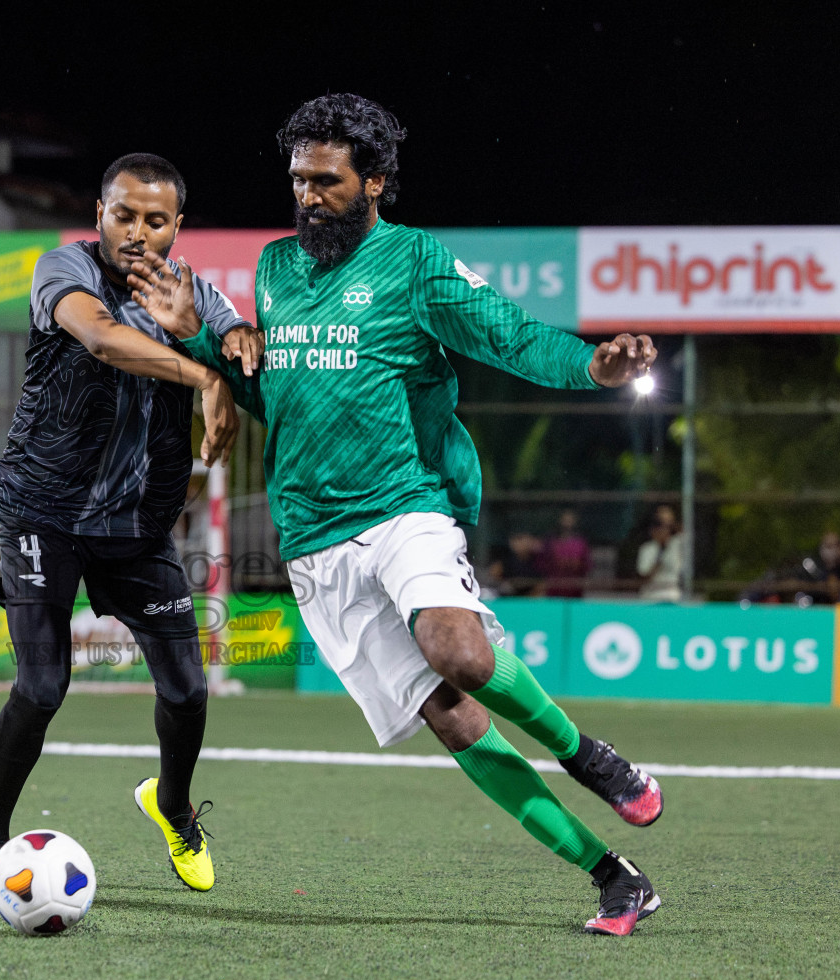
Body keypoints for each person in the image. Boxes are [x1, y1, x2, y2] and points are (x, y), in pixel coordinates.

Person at [133, 94, 664, 935]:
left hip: (404, 503)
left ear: (375, 181)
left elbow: (514, 337)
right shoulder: (276, 268)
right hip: (312, 537)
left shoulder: (414, 261)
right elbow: (281, 398)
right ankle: (611, 876)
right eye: (298, 180)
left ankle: (587, 756)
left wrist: (591, 364)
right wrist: (199, 342)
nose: (306, 196)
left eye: (327, 181)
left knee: (458, 649)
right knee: (453, 721)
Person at [0, 153, 259, 904]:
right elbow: (100, 338)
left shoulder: (197, 295)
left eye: (156, 221)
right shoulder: (65, 270)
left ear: (176, 228)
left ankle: (175, 809)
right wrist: (202, 374)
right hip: (43, 511)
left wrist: (237, 347)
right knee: (41, 685)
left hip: (136, 528)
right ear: (99, 216)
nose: (137, 232)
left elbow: (240, 354)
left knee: (187, 694)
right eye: (124, 215)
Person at [636, 504, 685, 602]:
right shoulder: (647, 549)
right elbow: (644, 575)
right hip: (651, 594)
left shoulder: (676, 544)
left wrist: (669, 522)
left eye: (666, 527)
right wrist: (661, 553)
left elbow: (683, 532)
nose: (663, 530)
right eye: (660, 526)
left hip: (671, 594)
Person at [540, 509, 592, 597]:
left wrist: (576, 565)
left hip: (574, 586)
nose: (568, 523)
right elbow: (544, 562)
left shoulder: (581, 542)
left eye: (570, 520)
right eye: (565, 520)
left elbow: (587, 564)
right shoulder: (551, 541)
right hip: (555, 585)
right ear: (560, 521)